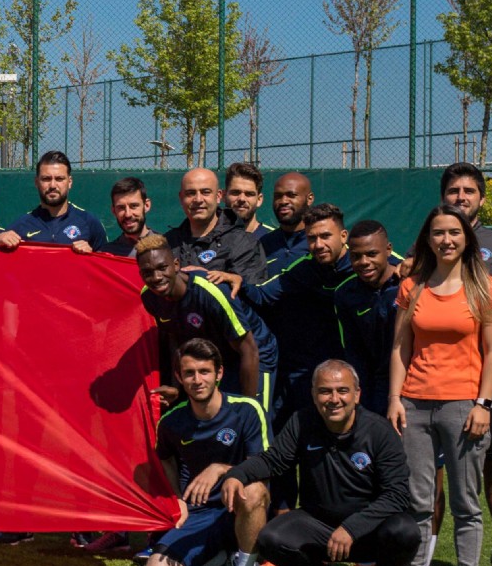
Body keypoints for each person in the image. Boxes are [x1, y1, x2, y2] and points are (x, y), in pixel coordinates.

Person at [220, 361, 416, 566]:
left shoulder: (379, 431)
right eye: (325, 391)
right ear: (313, 395)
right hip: (319, 525)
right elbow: (274, 460)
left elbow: (397, 494)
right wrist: (236, 475)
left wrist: (351, 528)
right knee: (271, 538)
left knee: (405, 531)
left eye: (342, 390)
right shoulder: (302, 422)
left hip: (369, 530)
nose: (334, 399)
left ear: (357, 394)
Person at [386, 206, 492, 566]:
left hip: (464, 406)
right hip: (415, 406)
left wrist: (483, 404)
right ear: (428, 239)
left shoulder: (484, 286)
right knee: (419, 501)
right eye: (438, 233)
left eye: (454, 232)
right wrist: (395, 398)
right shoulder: (412, 287)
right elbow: (400, 347)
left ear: (466, 238)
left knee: (465, 502)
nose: (446, 240)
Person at [141, 339, 271, 566]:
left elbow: (263, 467)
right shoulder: (171, 422)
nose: (197, 380)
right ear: (179, 377)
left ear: (219, 373)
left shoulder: (246, 410)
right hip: (199, 514)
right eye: (189, 373)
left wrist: (220, 469)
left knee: (254, 490)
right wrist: (178, 498)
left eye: (204, 372)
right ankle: (217, 560)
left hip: (239, 508)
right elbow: (165, 460)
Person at [438, 162, 492, 566]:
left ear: (482, 199)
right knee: (433, 466)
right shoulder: (429, 241)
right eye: (454, 190)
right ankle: (423, 556)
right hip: (439, 378)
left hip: (491, 373)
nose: (461, 197)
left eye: (469, 191)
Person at [136, 234, 273, 410]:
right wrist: (176, 387)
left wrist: (248, 409)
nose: (156, 277)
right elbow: (175, 338)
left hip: (253, 353)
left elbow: (249, 350)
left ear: (176, 265)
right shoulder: (149, 297)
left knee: (251, 418)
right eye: (148, 273)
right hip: (216, 359)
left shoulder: (210, 292)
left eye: (162, 268)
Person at [243, 203, 353, 410]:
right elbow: (263, 295)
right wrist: (236, 282)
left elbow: (394, 262)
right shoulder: (304, 268)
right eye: (312, 238)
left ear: (343, 236)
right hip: (312, 367)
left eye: (326, 236)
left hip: (364, 365)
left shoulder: (364, 261)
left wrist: (405, 266)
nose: (318, 245)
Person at [334, 220, 402, 417]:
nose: (364, 262)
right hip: (374, 389)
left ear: (388, 250)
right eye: (356, 256)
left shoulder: (408, 284)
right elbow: (353, 352)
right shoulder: (345, 294)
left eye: (372, 254)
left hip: (413, 386)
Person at [164, 167, 265, 288]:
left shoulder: (243, 243)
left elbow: (250, 295)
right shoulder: (167, 243)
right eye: (191, 193)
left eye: (206, 192)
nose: (198, 199)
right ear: (181, 198)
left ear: (218, 196)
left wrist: (201, 278)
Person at [0, 151, 106, 251]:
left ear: (70, 182)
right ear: (36, 182)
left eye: (59, 179)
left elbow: (107, 263)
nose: (52, 185)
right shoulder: (21, 226)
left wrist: (91, 255)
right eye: (46, 179)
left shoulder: (89, 223)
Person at [261, 172, 314, 261]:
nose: (283, 201)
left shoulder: (320, 242)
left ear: (309, 199)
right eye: (278, 196)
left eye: (291, 195)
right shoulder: (263, 244)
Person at [98, 175, 152, 262]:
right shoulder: (106, 255)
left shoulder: (168, 246)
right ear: (113, 211)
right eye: (121, 208)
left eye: (134, 206)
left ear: (146, 205)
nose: (128, 214)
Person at [222, 163, 275, 237]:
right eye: (236, 192)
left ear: (259, 200)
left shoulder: (273, 238)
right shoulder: (210, 236)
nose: (242, 199)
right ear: (224, 196)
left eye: (249, 194)